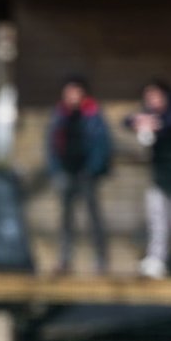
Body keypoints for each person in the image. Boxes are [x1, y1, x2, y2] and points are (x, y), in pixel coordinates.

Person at [123, 79, 171, 281]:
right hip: (159, 178)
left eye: (155, 96)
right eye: (148, 97)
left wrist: (156, 123)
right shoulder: (149, 116)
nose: (152, 100)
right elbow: (128, 120)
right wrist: (139, 121)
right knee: (158, 222)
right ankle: (157, 260)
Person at [46, 75, 113, 275]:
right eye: (69, 92)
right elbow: (50, 144)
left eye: (76, 92)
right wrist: (55, 168)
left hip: (87, 172)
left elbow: (103, 144)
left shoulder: (93, 113)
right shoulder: (59, 114)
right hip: (66, 171)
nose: (72, 96)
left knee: (93, 218)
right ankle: (64, 260)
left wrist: (93, 168)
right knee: (66, 218)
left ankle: (100, 260)